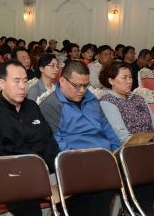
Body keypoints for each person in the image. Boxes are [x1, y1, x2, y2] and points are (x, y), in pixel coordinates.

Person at [40, 60, 121, 216]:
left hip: (104, 159)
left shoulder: (91, 99)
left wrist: (116, 152)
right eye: (77, 86)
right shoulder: (50, 106)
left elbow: (107, 129)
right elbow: (56, 143)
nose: (82, 90)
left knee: (145, 175)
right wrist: (86, 162)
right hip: (78, 164)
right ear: (62, 81)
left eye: (86, 85)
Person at [0, 60, 60, 216]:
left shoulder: (33, 107)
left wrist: (59, 170)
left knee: (81, 194)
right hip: (12, 178)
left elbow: (49, 143)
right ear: (1, 83)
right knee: (28, 206)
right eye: (16, 81)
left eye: (25, 81)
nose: (23, 86)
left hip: (43, 173)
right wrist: (28, 175)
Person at [99, 62, 154, 210]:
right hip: (129, 153)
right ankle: (140, 210)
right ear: (111, 80)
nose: (129, 81)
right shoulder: (107, 101)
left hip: (151, 150)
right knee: (149, 172)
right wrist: (150, 150)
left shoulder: (138, 98)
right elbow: (121, 134)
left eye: (130, 77)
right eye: (124, 78)